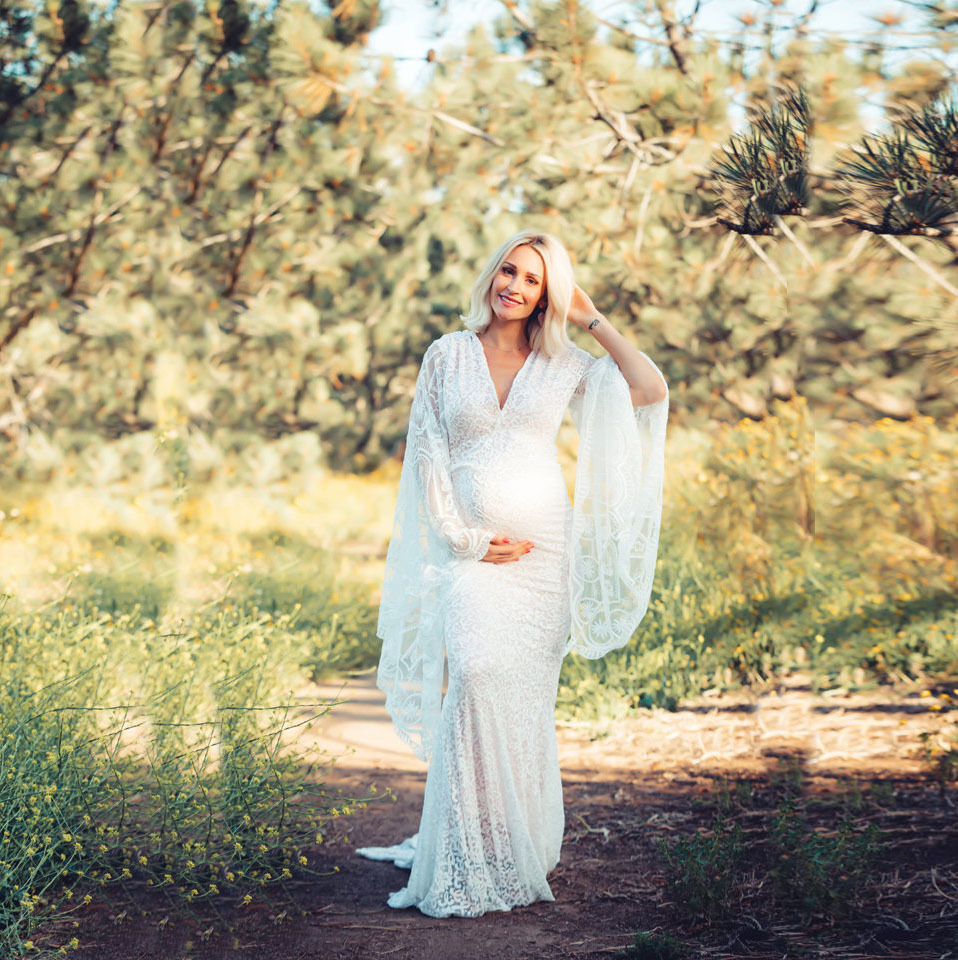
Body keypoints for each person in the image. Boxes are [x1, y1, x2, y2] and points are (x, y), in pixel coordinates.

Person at [356, 230, 669, 918]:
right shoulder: (447, 354)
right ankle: (461, 852)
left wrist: (591, 318)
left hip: (544, 559)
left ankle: (506, 843)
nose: (516, 287)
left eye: (534, 280)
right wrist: (465, 538)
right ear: (491, 274)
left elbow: (649, 390)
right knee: (472, 675)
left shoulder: (568, 365)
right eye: (509, 270)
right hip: (472, 553)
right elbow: (428, 456)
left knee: (521, 704)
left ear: (549, 294)